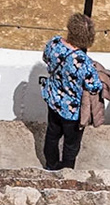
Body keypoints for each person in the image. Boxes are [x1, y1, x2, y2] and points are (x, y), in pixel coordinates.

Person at [39, 12, 106, 171]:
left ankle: (51, 165)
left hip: (53, 100)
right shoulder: (84, 63)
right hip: (73, 111)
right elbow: (95, 87)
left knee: (52, 135)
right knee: (71, 144)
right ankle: (67, 171)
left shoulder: (54, 43)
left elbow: (45, 59)